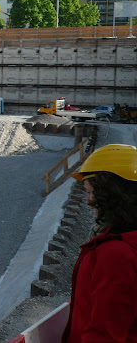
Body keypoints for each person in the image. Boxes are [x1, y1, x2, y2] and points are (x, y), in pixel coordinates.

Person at [61, 144, 137, 342]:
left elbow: (105, 334)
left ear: (111, 195)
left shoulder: (116, 254)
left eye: (90, 192)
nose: (88, 201)